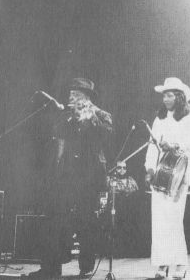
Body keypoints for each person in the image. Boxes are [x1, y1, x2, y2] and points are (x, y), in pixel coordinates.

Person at [25, 78, 113, 279]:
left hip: (89, 177)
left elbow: (106, 137)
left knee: (86, 222)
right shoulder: (67, 116)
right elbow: (59, 138)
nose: (70, 97)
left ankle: (86, 268)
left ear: (86, 97)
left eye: (75, 95)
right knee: (54, 220)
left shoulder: (102, 115)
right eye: (71, 94)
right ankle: (51, 268)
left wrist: (90, 117)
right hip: (67, 176)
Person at [144, 77, 190, 279]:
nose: (166, 99)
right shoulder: (159, 119)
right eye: (164, 95)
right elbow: (152, 144)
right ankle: (162, 264)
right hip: (160, 173)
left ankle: (180, 263)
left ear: (179, 96)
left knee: (174, 219)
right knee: (159, 220)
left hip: (178, 174)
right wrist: (149, 168)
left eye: (169, 95)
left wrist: (173, 144)